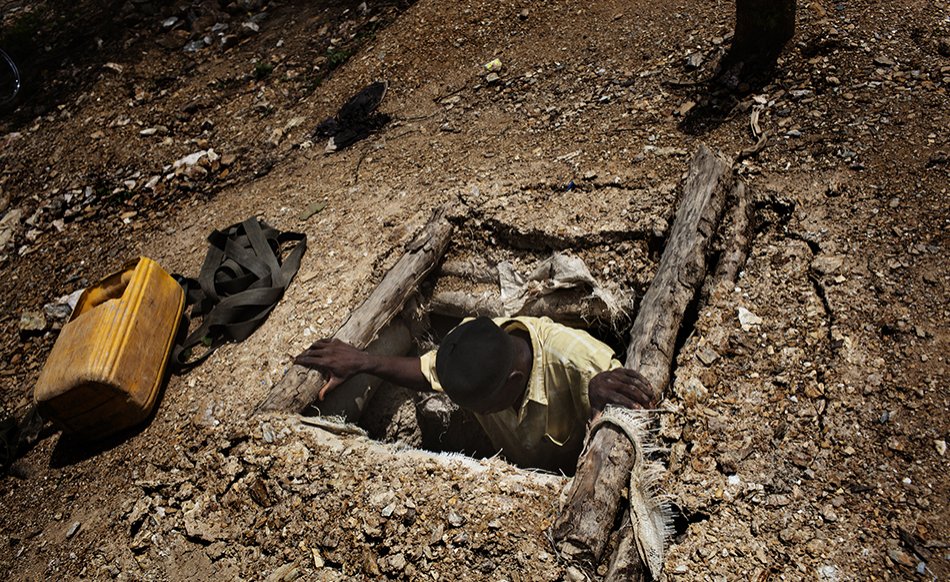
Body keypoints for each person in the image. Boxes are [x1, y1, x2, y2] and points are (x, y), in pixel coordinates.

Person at [295, 316, 656, 472]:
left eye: (480, 407)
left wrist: (602, 408)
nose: (474, 413)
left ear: (514, 381)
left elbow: (646, 417)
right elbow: (426, 371)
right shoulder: (471, 348)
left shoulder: (582, 365)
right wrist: (363, 361)